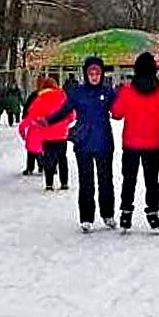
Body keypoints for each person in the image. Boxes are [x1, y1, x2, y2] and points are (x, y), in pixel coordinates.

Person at [43, 56, 117, 231]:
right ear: (86, 74)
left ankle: (108, 214)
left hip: (104, 142)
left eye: (97, 73)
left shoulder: (108, 92)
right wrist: (47, 120)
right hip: (83, 142)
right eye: (91, 73)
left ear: (102, 74)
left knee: (105, 180)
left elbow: (120, 109)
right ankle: (86, 217)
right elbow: (64, 110)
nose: (94, 76)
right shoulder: (77, 92)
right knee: (86, 181)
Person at [110, 52, 159, 232]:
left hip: (131, 142)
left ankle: (125, 214)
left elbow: (117, 113)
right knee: (152, 180)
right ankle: (152, 214)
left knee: (129, 179)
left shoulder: (127, 90)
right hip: (153, 142)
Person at [22, 76, 73, 190]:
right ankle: (64, 183)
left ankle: (49, 184)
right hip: (62, 134)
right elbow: (72, 115)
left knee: (49, 159)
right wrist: (65, 124)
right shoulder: (63, 98)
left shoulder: (39, 99)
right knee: (62, 158)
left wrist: (39, 124)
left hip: (47, 135)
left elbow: (31, 115)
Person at [19, 76, 48, 175]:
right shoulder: (40, 96)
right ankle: (41, 166)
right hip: (43, 128)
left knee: (33, 151)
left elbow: (27, 107)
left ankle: (33, 167)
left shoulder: (37, 96)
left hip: (35, 129)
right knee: (39, 151)